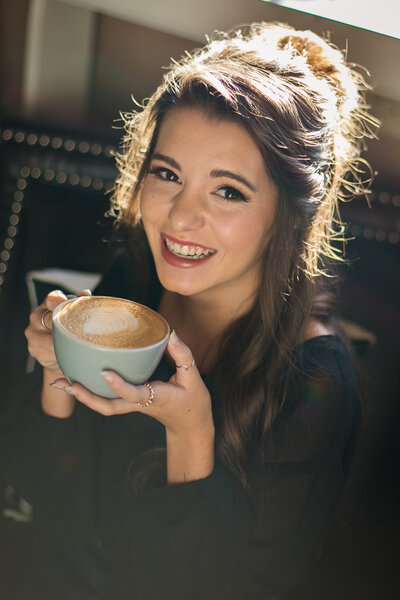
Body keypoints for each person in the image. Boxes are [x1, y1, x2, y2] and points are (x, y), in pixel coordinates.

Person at [0, 21, 379, 600]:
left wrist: (191, 434)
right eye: (167, 174)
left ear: (290, 214)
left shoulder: (315, 383)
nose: (179, 219)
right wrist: (57, 373)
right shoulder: (135, 279)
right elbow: (48, 501)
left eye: (228, 191)